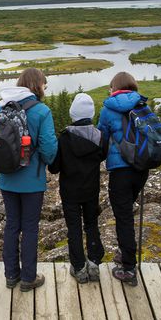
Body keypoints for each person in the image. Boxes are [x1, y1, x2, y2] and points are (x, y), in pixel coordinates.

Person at [0, 68, 57, 292]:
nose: (45, 88)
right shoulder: (42, 111)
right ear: (37, 85)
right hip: (32, 181)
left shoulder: (1, 107)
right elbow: (48, 148)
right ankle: (28, 278)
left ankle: (10, 276)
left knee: (11, 226)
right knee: (30, 228)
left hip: (7, 178)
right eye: (44, 84)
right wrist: (46, 162)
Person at [97, 72, 149, 286]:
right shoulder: (143, 104)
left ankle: (128, 267)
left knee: (124, 217)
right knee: (127, 213)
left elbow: (101, 141)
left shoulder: (108, 109)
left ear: (114, 88)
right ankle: (125, 253)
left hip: (120, 171)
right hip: (141, 168)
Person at [49, 93, 106, 283]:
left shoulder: (65, 138)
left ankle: (79, 268)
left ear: (73, 113)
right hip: (91, 190)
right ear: (91, 114)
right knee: (91, 225)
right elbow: (102, 156)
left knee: (73, 228)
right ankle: (94, 263)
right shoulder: (99, 137)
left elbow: (54, 167)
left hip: (70, 192)